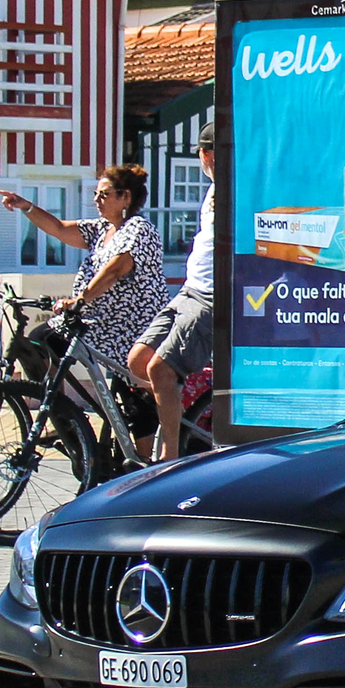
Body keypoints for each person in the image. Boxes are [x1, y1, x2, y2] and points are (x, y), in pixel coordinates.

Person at [0, 164, 163, 374]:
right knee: (41, 341)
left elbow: (114, 271)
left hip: (127, 324)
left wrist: (79, 300)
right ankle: (56, 404)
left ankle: (59, 403)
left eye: (104, 195)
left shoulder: (139, 228)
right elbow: (58, 228)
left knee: (134, 394)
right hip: (96, 320)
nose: (96, 200)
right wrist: (26, 207)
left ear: (125, 197)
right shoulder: (102, 228)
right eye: (96, 194)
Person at [130, 122, 218, 461]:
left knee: (159, 371)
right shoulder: (213, 188)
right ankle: (192, 394)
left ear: (204, 154)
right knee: (137, 362)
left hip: (211, 295)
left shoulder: (235, 188)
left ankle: (169, 455)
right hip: (190, 288)